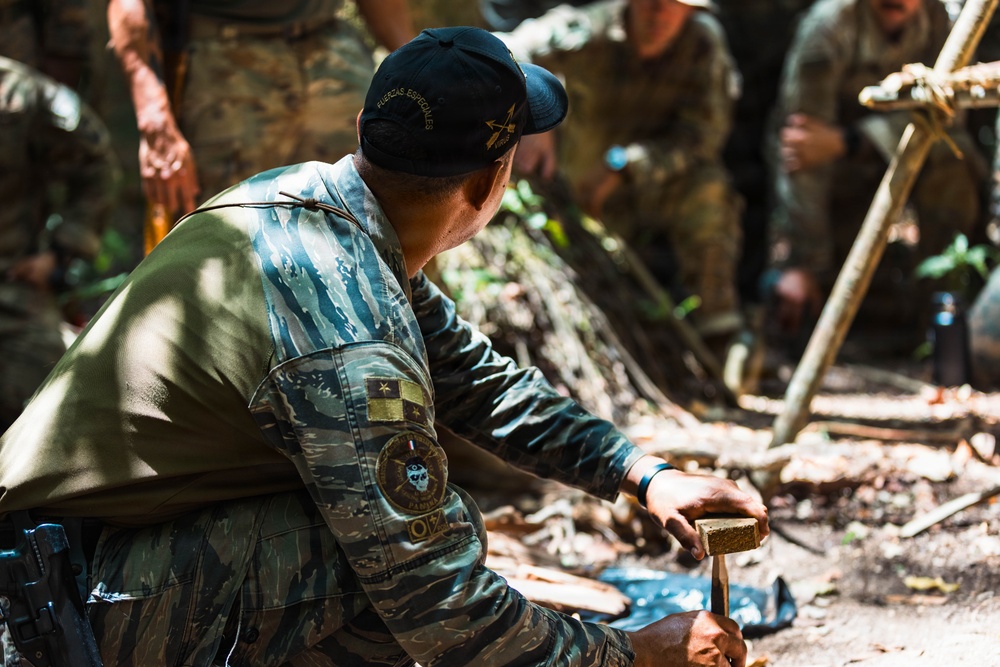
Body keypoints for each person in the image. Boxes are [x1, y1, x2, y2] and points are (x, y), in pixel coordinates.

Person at [0, 27, 768, 666]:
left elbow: (477, 383)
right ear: (487, 183)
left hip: (81, 561)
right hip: (55, 609)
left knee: (385, 537)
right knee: (406, 549)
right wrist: (635, 653)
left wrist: (643, 473)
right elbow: (439, 602)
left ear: (366, 132)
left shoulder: (319, 208)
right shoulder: (348, 333)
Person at [497, 0, 747, 349]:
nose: (659, 12)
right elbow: (501, 51)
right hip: (570, 194)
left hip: (651, 187)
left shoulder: (704, 46)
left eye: (674, 5)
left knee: (709, 189)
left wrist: (625, 165)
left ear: (692, 11)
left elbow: (702, 138)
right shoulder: (590, 28)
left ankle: (718, 330)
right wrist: (535, 114)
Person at [765, 0, 985, 347]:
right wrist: (803, 263)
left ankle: (940, 324)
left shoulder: (944, 24)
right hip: (839, 184)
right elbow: (802, 148)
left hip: (893, 158)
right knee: (823, 296)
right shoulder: (828, 26)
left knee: (952, 162)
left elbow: (950, 119)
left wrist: (850, 140)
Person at [106, 0, 416, 220]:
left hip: (332, 51)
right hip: (223, 64)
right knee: (223, 228)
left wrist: (418, 71)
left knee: (383, 210)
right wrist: (155, 119)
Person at [0, 55, 120, 431]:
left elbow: (98, 166)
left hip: (11, 294)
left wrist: (61, 253)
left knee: (67, 405)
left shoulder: (18, 93)